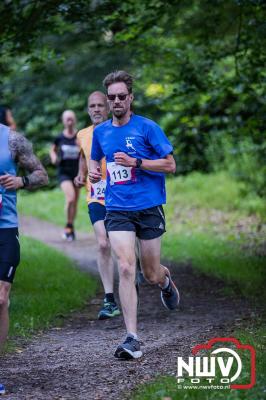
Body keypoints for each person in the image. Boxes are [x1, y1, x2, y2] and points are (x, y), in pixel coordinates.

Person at [89, 70, 180, 360]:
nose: (116, 101)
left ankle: (165, 281)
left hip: (149, 206)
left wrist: (136, 162)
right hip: (117, 208)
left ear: (131, 98)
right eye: (111, 97)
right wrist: (93, 172)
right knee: (127, 267)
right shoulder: (101, 132)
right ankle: (132, 337)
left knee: (150, 272)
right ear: (107, 100)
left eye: (121, 96)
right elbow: (95, 159)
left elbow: (170, 165)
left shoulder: (148, 128)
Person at [0, 123, 48, 394]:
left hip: (5, 229)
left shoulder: (12, 140)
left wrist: (21, 181)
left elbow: (41, 174)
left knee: (1, 298)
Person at [74, 91, 120, 319]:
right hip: (95, 196)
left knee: (124, 245)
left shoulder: (118, 130)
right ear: (88, 109)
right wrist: (80, 174)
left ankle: (134, 275)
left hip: (122, 195)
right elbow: (83, 156)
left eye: (101, 105)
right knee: (103, 244)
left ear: (108, 107)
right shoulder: (82, 134)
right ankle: (109, 299)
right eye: (92, 106)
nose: (96, 109)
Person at [50, 110, 80, 241]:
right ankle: (68, 227)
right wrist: (53, 157)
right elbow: (52, 149)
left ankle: (70, 227)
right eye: (67, 119)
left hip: (77, 173)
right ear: (63, 121)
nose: (69, 121)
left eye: (71, 119)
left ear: (75, 120)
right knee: (70, 199)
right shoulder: (59, 138)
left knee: (75, 203)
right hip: (64, 173)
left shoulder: (79, 136)